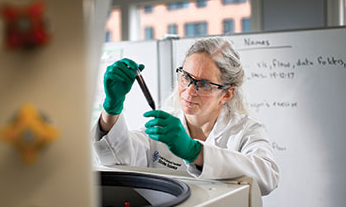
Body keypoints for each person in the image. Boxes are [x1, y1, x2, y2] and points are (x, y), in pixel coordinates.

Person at [92, 37, 279, 196]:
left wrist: (194, 151)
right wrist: (112, 108)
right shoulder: (164, 129)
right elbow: (118, 160)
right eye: (186, 77)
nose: (189, 92)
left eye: (204, 84)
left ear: (227, 94)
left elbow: (267, 177)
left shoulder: (246, 131)